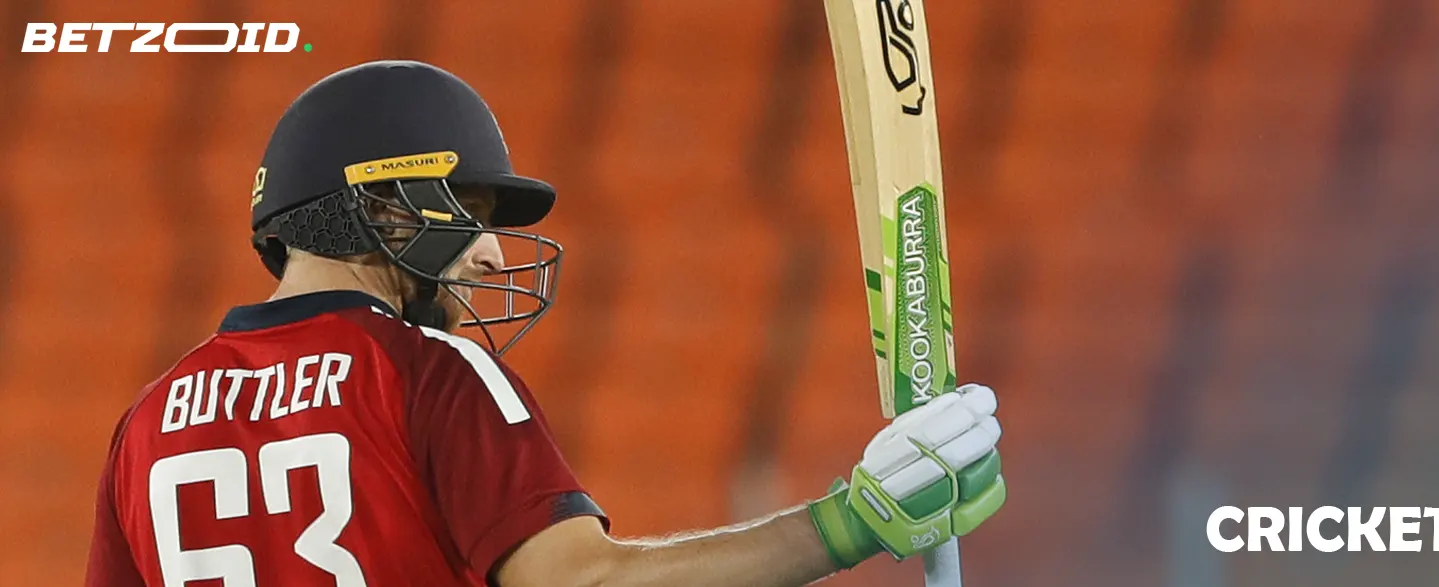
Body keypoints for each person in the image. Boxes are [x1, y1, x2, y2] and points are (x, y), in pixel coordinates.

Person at [84, 60, 1006, 587]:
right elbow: (580, 584)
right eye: (472, 214)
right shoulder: (428, 372)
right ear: (390, 208)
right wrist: (849, 522)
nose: (489, 255)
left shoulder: (145, 422)